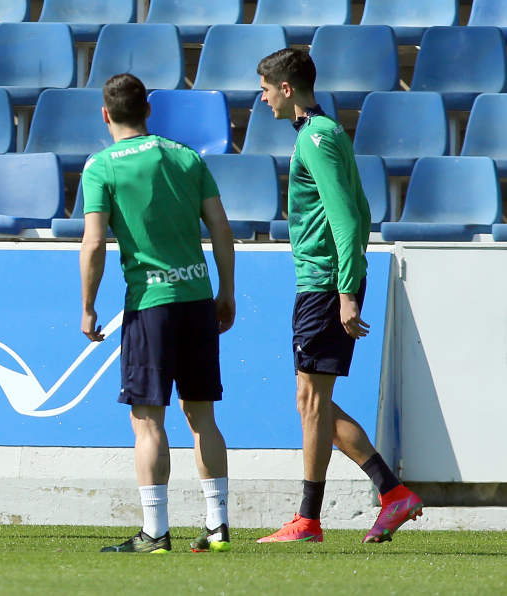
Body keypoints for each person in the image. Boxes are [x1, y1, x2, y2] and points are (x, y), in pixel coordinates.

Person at [254, 48, 423, 545]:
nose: (262, 99)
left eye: (266, 89)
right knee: (313, 402)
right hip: (322, 281)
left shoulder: (319, 139)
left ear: (287, 89)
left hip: (327, 284)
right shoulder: (320, 133)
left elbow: (349, 219)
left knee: (312, 401)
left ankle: (310, 519)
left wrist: (347, 291)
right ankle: (391, 495)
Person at [77, 74, 237, 555]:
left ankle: (155, 531)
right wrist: (226, 291)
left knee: (148, 419)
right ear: (149, 109)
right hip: (196, 297)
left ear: (105, 114)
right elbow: (222, 231)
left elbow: (93, 244)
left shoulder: (102, 166)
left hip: (149, 304)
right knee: (201, 415)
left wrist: (87, 306)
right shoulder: (186, 156)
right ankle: (218, 526)